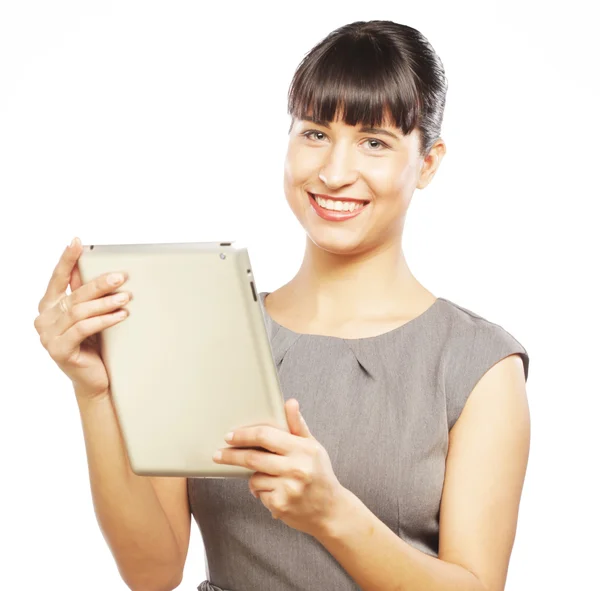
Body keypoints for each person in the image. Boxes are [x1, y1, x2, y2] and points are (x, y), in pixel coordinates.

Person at [34, 19, 530, 591]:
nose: (334, 173)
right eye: (315, 133)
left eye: (374, 142)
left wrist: (332, 514)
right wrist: (94, 392)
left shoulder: (479, 366)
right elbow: (152, 570)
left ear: (429, 162)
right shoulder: (212, 332)